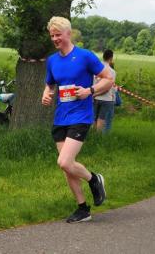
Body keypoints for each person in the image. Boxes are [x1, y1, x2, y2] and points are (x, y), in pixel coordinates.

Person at [42, 16, 114, 223]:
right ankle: (83, 209)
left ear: (68, 34)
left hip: (80, 116)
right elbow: (50, 85)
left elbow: (109, 79)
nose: (55, 39)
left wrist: (90, 90)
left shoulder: (85, 56)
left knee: (64, 161)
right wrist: (45, 94)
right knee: (67, 167)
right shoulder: (52, 60)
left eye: (58, 35)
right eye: (52, 36)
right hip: (60, 117)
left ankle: (94, 178)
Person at [93, 49, 117, 133]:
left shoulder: (96, 70)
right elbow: (107, 88)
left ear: (103, 57)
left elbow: (93, 85)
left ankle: (93, 134)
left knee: (94, 118)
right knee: (101, 118)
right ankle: (98, 136)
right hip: (106, 99)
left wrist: (94, 95)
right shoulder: (112, 72)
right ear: (111, 58)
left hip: (95, 97)